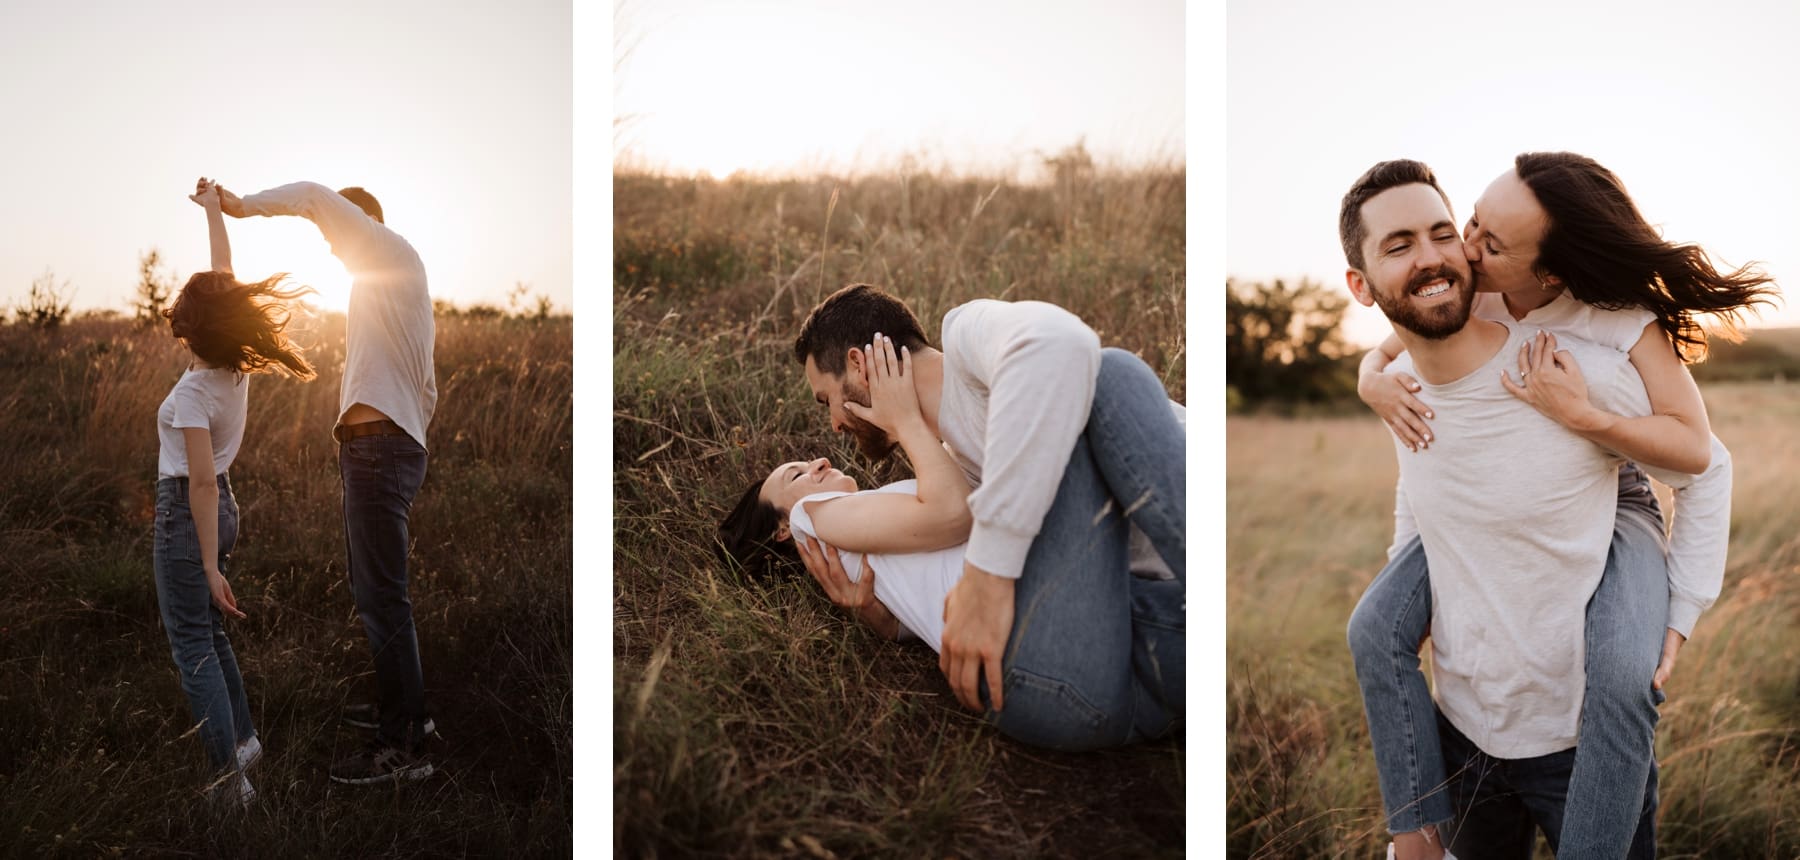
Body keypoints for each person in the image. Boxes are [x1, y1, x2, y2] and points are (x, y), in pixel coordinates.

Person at [1337, 158, 1738, 859]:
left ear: (1547, 273)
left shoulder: (1602, 336)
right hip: (1468, 732)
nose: (1459, 251)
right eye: (1470, 227)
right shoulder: (1461, 312)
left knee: (1621, 674)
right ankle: (1416, 837)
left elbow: (1704, 458)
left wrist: (1681, 616)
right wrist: (1370, 379)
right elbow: (1410, 392)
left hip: (1622, 486)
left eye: (1484, 244)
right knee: (1372, 627)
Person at [785, 286, 1185, 750]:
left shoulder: (966, 339)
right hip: (1133, 619)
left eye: (826, 400)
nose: (834, 424)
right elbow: (948, 569)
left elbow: (1062, 341)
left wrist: (988, 575)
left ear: (860, 365)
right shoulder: (962, 469)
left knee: (1112, 372)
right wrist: (887, 619)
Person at [211, 179, 439, 784]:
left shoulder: (385, 251)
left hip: (380, 450)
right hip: (388, 447)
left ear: (360, 221)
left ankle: (404, 750)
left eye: (337, 236)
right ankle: (409, 712)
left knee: (383, 599)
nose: (333, 252)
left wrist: (240, 208)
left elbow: (313, 194)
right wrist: (405, 436)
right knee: (381, 595)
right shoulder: (394, 284)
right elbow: (429, 390)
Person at [159, 178, 316, 804]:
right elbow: (224, 276)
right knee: (211, 633)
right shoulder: (234, 367)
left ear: (193, 328)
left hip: (189, 512)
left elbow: (196, 480)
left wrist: (202, 562)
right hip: (224, 506)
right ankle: (244, 740)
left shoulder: (197, 392)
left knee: (192, 642)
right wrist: (214, 214)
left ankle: (230, 782)